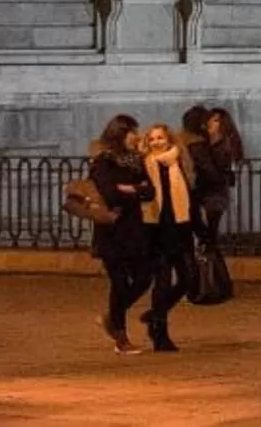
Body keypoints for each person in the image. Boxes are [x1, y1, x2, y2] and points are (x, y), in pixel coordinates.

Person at [86, 115, 152, 354]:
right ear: (120, 134)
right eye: (133, 132)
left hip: (134, 227)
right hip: (112, 230)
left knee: (144, 277)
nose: (137, 136)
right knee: (119, 281)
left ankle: (112, 317)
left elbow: (150, 191)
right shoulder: (104, 161)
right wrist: (135, 190)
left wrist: (129, 189)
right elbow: (110, 193)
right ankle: (121, 338)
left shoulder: (136, 160)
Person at [137, 121, 201, 351]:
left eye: (160, 138)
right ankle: (160, 332)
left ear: (169, 140)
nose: (156, 142)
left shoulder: (179, 163)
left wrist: (200, 229)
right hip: (155, 229)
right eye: (152, 139)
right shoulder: (144, 164)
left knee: (188, 278)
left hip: (180, 228)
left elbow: (191, 197)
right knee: (162, 281)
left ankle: (155, 314)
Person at [180, 105, 233, 253]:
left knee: (205, 235)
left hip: (204, 195)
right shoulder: (197, 144)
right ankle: (212, 265)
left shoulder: (188, 141)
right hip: (204, 194)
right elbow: (209, 171)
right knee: (207, 237)